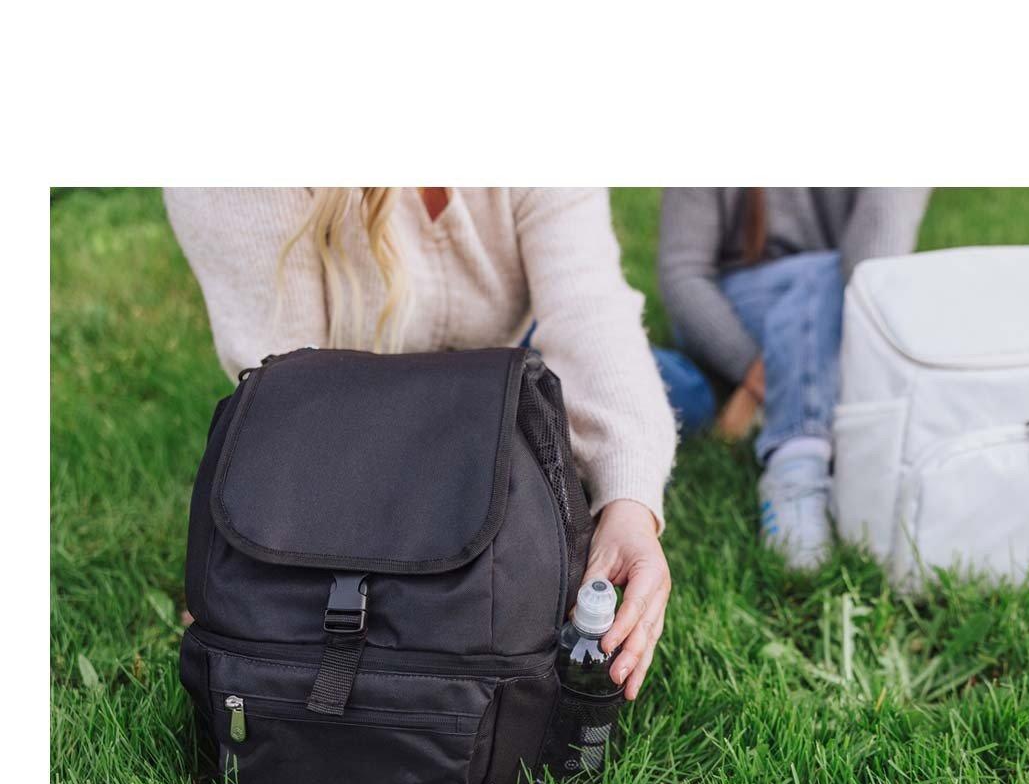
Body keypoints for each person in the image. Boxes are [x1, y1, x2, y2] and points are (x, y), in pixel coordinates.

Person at [165, 187, 676, 701]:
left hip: (496, 385)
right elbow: (295, 394)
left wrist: (630, 505)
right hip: (337, 416)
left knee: (663, 395)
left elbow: (590, 311)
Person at [654, 187, 930, 568]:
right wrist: (751, 366)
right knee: (818, 277)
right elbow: (684, 276)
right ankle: (796, 466)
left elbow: (873, 268)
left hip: (838, 300)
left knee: (830, 277)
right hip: (733, 308)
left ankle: (775, 414)